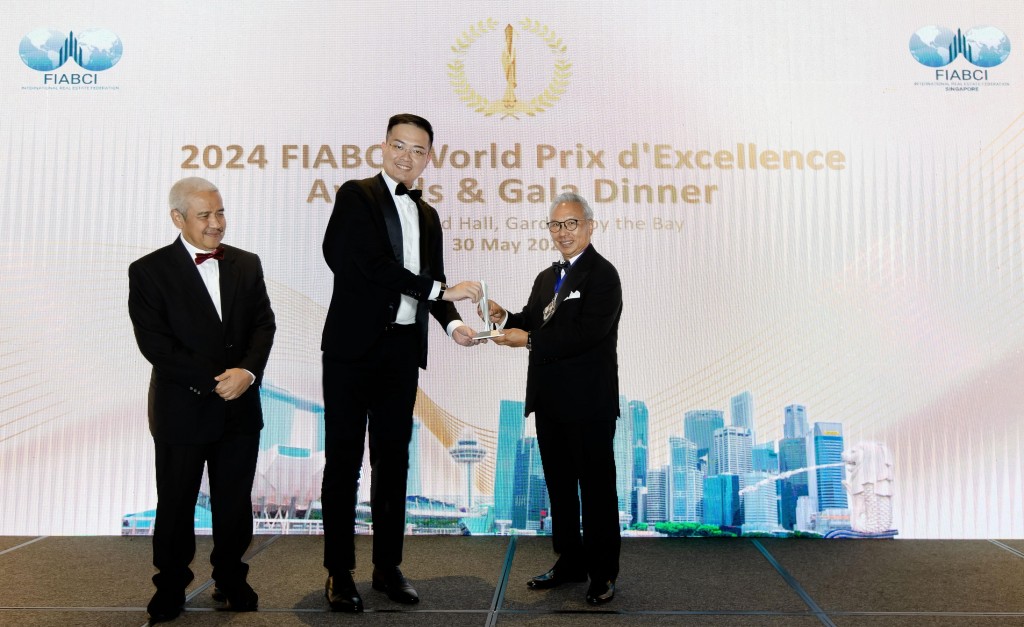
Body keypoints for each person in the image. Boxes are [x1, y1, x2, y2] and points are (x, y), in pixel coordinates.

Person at [320, 114, 482, 612]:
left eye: (418, 150)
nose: (406, 157)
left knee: (394, 464)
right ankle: (339, 573)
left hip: (401, 353)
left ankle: (387, 567)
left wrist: (454, 324)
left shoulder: (427, 215)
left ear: (429, 159)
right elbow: (366, 265)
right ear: (383, 146)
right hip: (352, 351)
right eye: (399, 146)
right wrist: (439, 289)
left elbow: (433, 279)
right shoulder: (356, 195)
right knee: (344, 462)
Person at [128, 176, 276, 623]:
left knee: (235, 504)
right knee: (175, 505)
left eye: (220, 212)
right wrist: (216, 381)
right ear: (178, 218)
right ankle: (170, 586)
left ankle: (231, 579)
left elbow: (263, 326)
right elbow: (156, 345)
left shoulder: (247, 264)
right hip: (183, 409)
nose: (216, 224)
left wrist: (247, 373)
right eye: (205, 215)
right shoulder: (148, 270)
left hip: (240, 408)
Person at [487, 192, 623, 605]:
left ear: (590, 226)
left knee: (596, 491)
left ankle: (602, 574)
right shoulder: (547, 277)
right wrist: (505, 317)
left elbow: (586, 333)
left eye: (571, 224)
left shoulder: (603, 275)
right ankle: (570, 563)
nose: (563, 232)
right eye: (555, 225)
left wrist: (527, 338)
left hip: (589, 404)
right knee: (560, 490)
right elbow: (535, 321)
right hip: (549, 402)